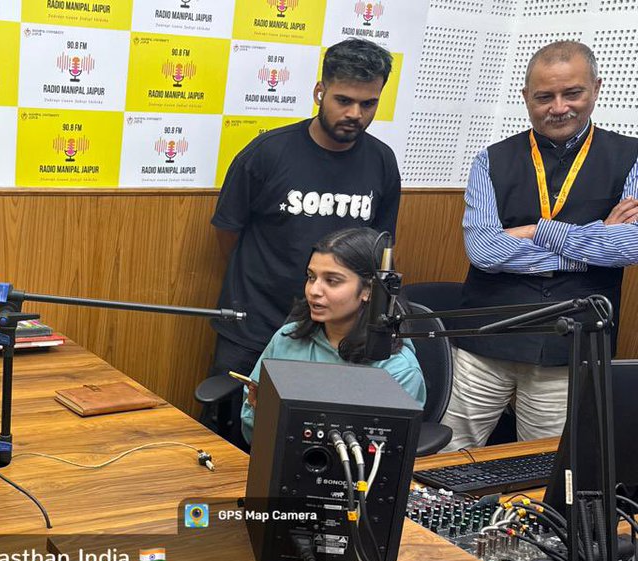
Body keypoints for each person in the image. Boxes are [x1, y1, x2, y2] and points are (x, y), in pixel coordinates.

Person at [441, 41, 638, 451]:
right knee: (447, 457)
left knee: (545, 466)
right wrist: (593, 242)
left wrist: (536, 231)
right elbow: (484, 252)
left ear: (597, 89)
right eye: (544, 96)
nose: (559, 107)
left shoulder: (630, 157)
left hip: (570, 349)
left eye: (573, 93)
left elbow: (629, 247)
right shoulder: (490, 160)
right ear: (526, 97)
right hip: (485, 340)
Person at [208, 37, 401, 446]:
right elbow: (228, 232)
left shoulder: (382, 161)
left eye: (368, 104)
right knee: (230, 439)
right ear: (319, 92)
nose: (355, 114)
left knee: (312, 450)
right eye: (343, 100)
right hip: (255, 325)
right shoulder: (266, 153)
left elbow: (379, 253)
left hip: (332, 339)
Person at [239, 228, 425, 443]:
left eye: (332, 281)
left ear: (369, 290)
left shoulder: (397, 370)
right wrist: (261, 412)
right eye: (311, 277)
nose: (314, 290)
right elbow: (250, 428)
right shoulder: (287, 338)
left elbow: (386, 455)